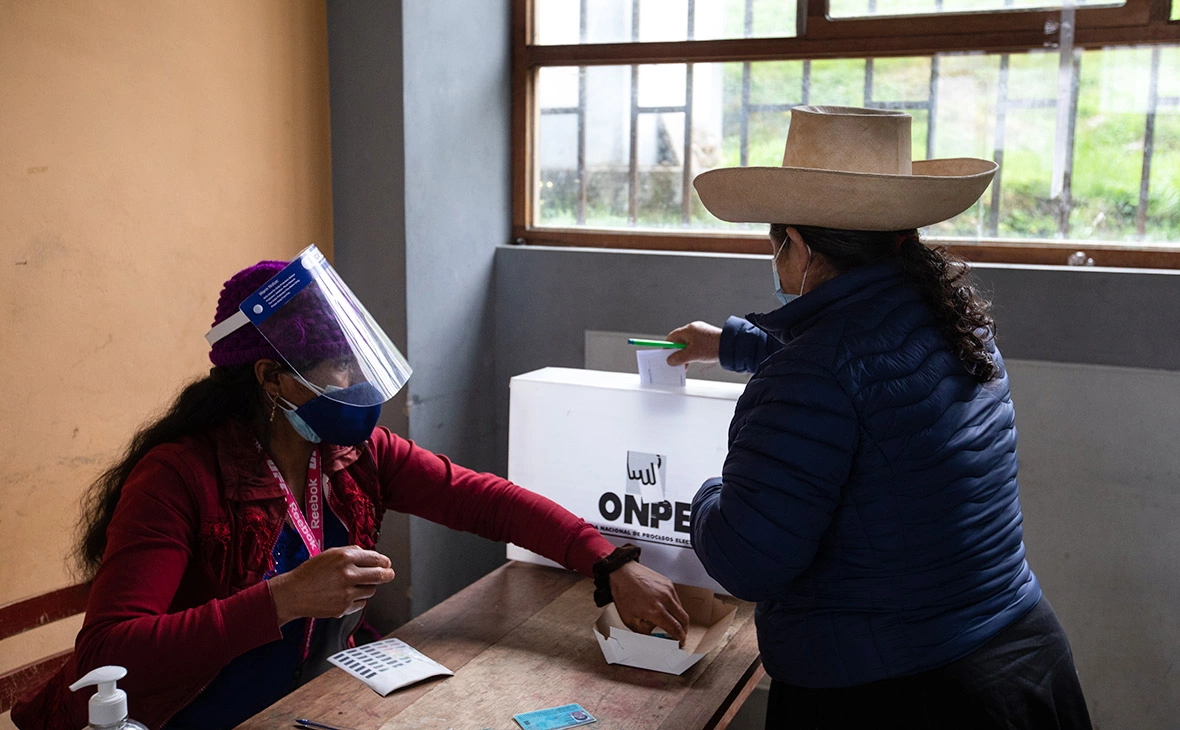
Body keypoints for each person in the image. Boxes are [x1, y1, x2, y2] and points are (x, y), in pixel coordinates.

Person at [13, 246, 689, 730]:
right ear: (271, 380)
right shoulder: (178, 478)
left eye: (353, 363)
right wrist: (283, 599)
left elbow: (480, 497)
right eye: (336, 369)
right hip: (200, 708)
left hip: (320, 689)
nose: (355, 387)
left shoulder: (349, 451)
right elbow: (110, 653)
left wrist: (608, 561)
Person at [666, 106, 1091, 729]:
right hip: (1020, 660)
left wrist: (707, 495)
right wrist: (726, 343)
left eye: (777, 245)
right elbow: (875, 371)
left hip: (897, 695)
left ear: (802, 248)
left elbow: (746, 560)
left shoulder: (813, 373)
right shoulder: (955, 323)